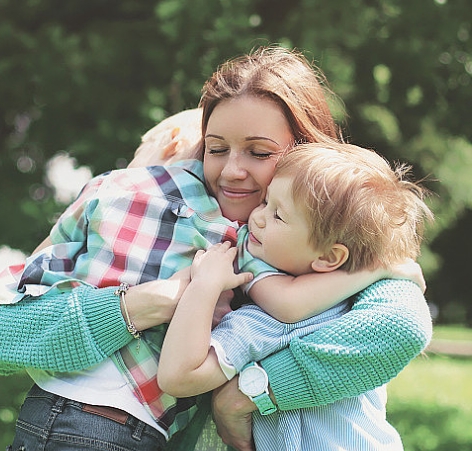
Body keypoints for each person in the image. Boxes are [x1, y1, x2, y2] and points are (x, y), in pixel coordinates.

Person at [0, 46, 433, 451]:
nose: (231, 171)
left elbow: (399, 327)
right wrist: (145, 303)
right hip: (87, 422)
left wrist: (246, 395)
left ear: (306, 155)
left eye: (260, 152)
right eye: (214, 148)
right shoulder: (157, 207)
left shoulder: (346, 232)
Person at [160, 142, 432, 450]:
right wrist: (378, 269)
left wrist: (204, 285)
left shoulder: (271, 324)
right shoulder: (360, 309)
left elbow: (178, 377)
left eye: (277, 215)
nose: (257, 218)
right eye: (264, 202)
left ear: (330, 258)